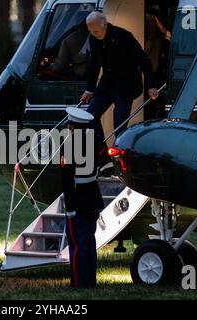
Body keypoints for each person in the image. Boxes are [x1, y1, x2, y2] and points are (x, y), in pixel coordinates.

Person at [81, 11, 159, 145]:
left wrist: (151, 85)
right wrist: (89, 89)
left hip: (126, 86)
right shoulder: (93, 38)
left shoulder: (123, 36)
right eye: (91, 31)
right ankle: (102, 151)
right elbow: (94, 64)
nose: (94, 34)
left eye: (96, 31)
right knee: (90, 117)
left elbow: (143, 60)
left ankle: (120, 156)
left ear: (105, 24)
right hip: (107, 84)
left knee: (119, 126)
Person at [60, 107, 105, 288]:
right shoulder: (95, 141)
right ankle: (90, 281)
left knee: (77, 244)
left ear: (72, 126)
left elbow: (67, 180)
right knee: (88, 241)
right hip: (92, 197)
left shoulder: (69, 146)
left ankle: (79, 282)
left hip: (77, 200)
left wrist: (69, 207)